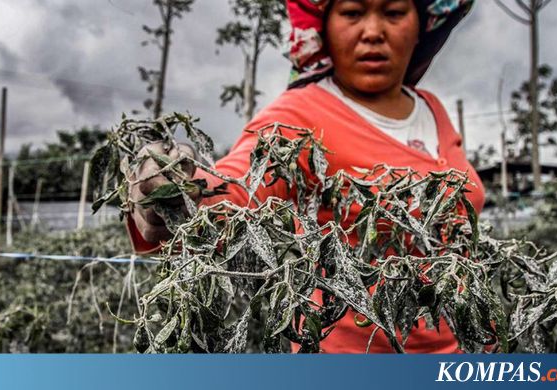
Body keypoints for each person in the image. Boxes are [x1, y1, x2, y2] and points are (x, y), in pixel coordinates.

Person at [126, 0, 482, 353]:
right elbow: (240, 185)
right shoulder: (299, 113)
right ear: (323, 27)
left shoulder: (431, 108)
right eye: (353, 13)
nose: (373, 32)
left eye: (394, 13)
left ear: (421, 25)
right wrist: (179, 190)